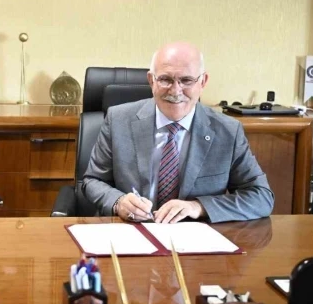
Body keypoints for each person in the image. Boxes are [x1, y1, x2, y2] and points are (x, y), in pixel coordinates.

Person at [82, 42, 274, 223]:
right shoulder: (118, 120)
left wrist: (198, 207)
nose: (175, 91)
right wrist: (118, 201)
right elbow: (92, 180)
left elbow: (261, 196)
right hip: (130, 230)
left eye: (186, 80)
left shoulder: (228, 131)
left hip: (194, 238)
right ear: (151, 80)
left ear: (203, 82)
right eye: (165, 79)